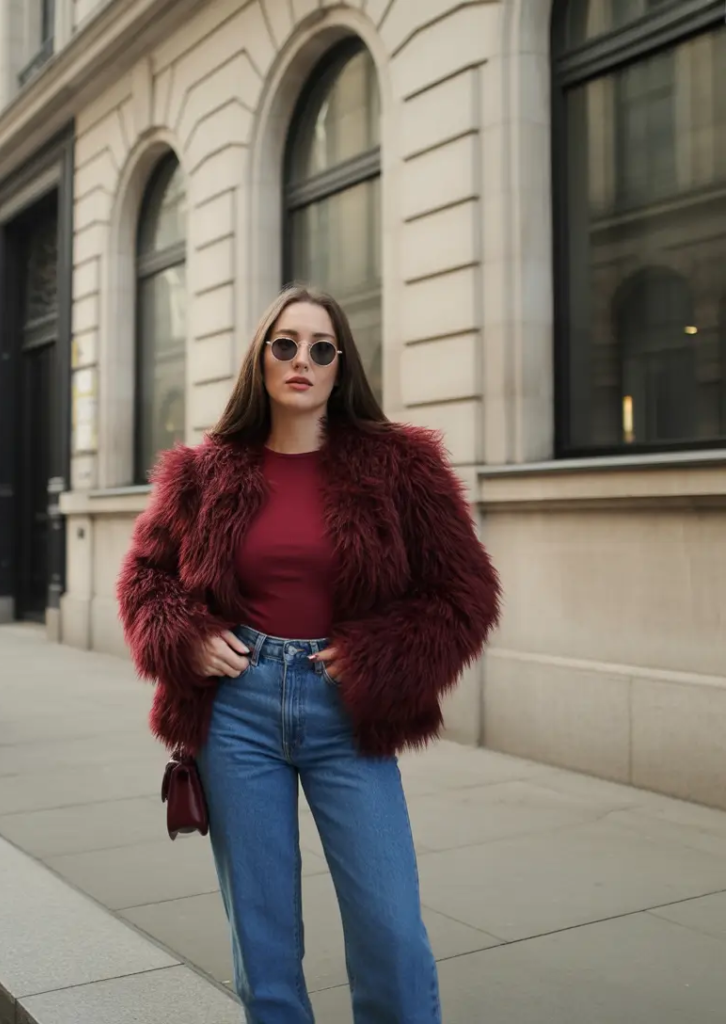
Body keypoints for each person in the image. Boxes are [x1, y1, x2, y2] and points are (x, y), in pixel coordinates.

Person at [117, 285, 501, 1024]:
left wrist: (380, 656)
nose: (302, 360)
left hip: (345, 712)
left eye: (320, 348)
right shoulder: (203, 472)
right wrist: (184, 636)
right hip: (238, 714)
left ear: (339, 365)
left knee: (390, 929)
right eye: (284, 345)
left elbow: (465, 592)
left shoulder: (400, 466)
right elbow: (145, 577)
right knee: (262, 943)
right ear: (259, 360)